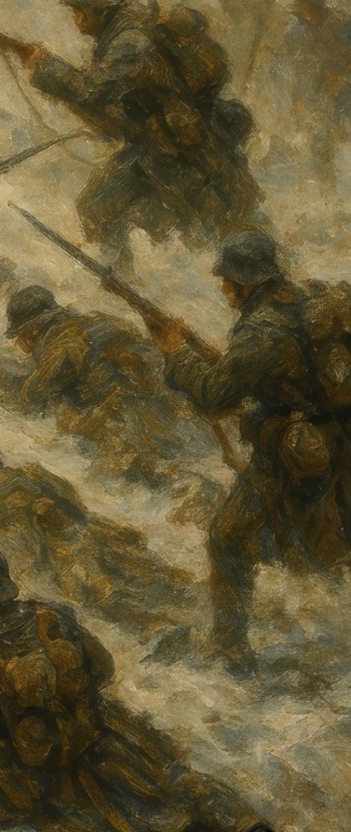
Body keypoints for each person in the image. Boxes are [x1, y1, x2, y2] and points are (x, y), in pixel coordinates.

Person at [0, 536, 273, 830]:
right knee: (173, 782)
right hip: (97, 740)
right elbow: (102, 669)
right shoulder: (51, 618)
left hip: (35, 768)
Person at [159, 232, 351, 675]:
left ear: (246, 282)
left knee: (227, 538)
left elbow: (212, 396)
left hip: (289, 455)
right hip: (338, 443)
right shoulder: (308, 303)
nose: (224, 288)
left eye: (228, 280)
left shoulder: (262, 332)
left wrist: (174, 353)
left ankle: (231, 651)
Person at [22, 0, 261, 266]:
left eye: (79, 10)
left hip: (183, 154)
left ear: (97, 9)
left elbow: (91, 90)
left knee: (209, 231)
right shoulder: (124, 28)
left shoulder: (130, 42)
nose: (76, 19)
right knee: (99, 207)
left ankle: (133, 277)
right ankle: (119, 276)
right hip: (157, 148)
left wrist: (44, 65)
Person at [0, 428, 194, 640]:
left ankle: (157, 626)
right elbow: (75, 503)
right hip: (85, 534)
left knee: (98, 591)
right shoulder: (30, 472)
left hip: (55, 546)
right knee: (130, 576)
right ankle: (172, 614)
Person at [3, 284, 214, 487]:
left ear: (31, 330)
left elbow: (33, 392)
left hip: (128, 429)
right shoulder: (103, 320)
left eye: (20, 335)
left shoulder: (61, 341)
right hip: (170, 414)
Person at [272, 0, 351, 183]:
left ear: (315, 5)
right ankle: (325, 183)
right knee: (319, 135)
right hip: (319, 92)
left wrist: (341, 78)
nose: (299, 9)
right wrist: (298, 99)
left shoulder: (342, 25)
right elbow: (298, 70)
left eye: (302, 4)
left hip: (345, 90)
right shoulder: (297, 32)